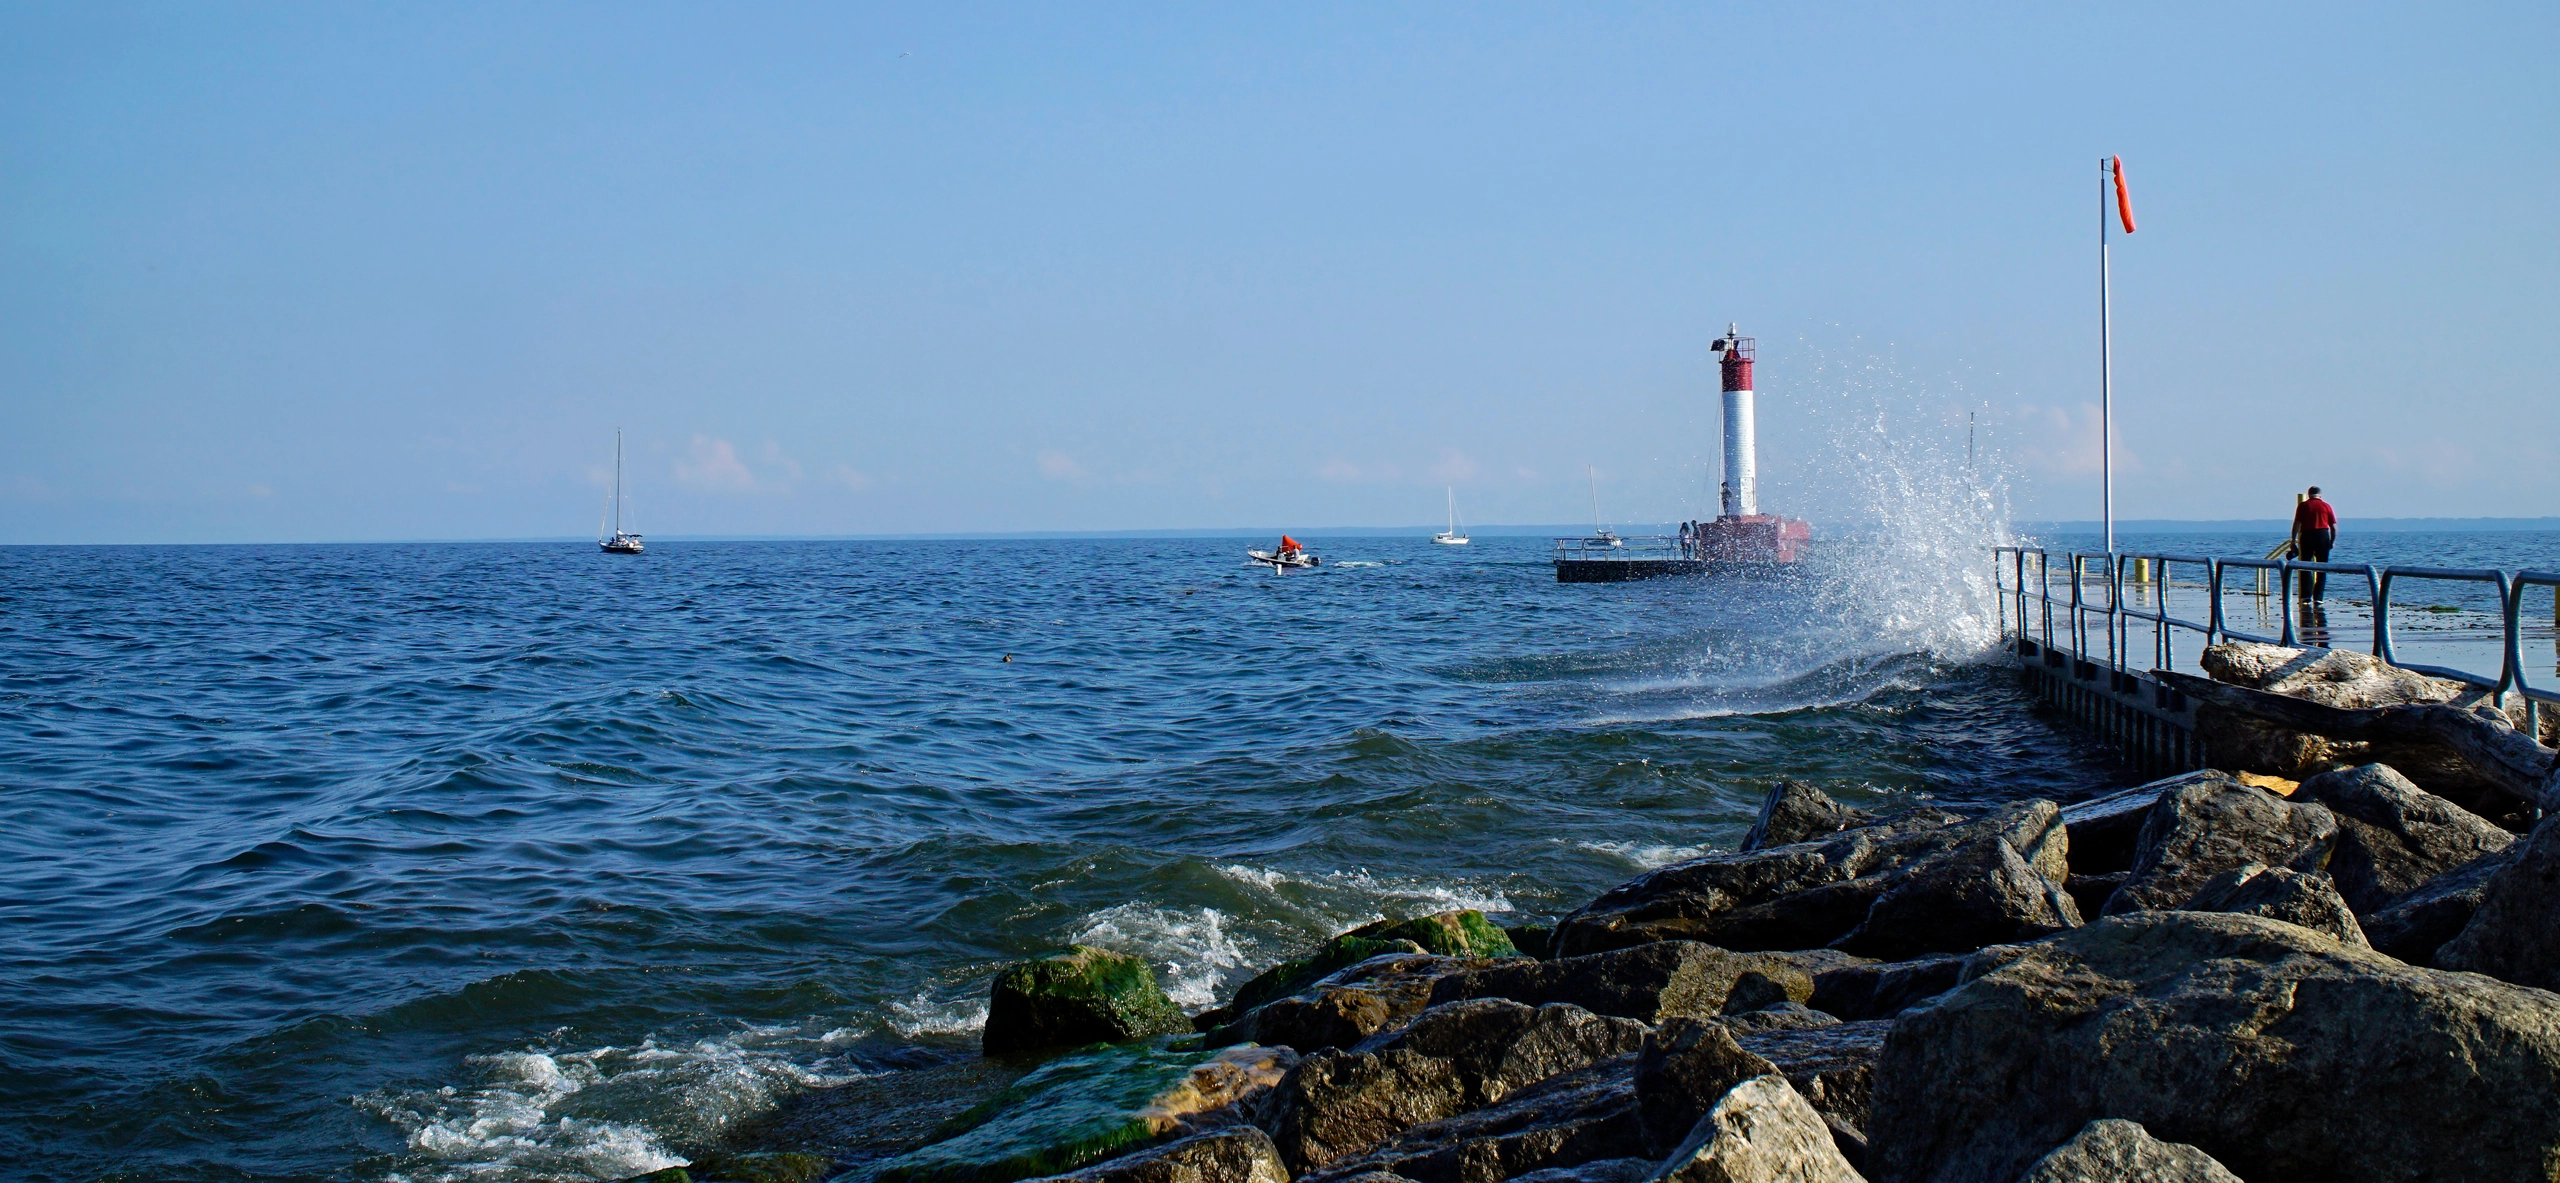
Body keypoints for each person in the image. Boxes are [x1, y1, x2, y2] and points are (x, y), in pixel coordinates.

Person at [2293, 486, 2338, 601]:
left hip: (2307, 535)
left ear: (2308, 494)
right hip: (2322, 536)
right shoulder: (2326, 506)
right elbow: (2333, 527)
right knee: (2322, 567)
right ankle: (2318, 597)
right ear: (2320, 495)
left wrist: (2293, 540)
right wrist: (2332, 541)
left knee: (2305, 565)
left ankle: (2306, 596)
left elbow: (2296, 524)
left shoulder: (2303, 506)